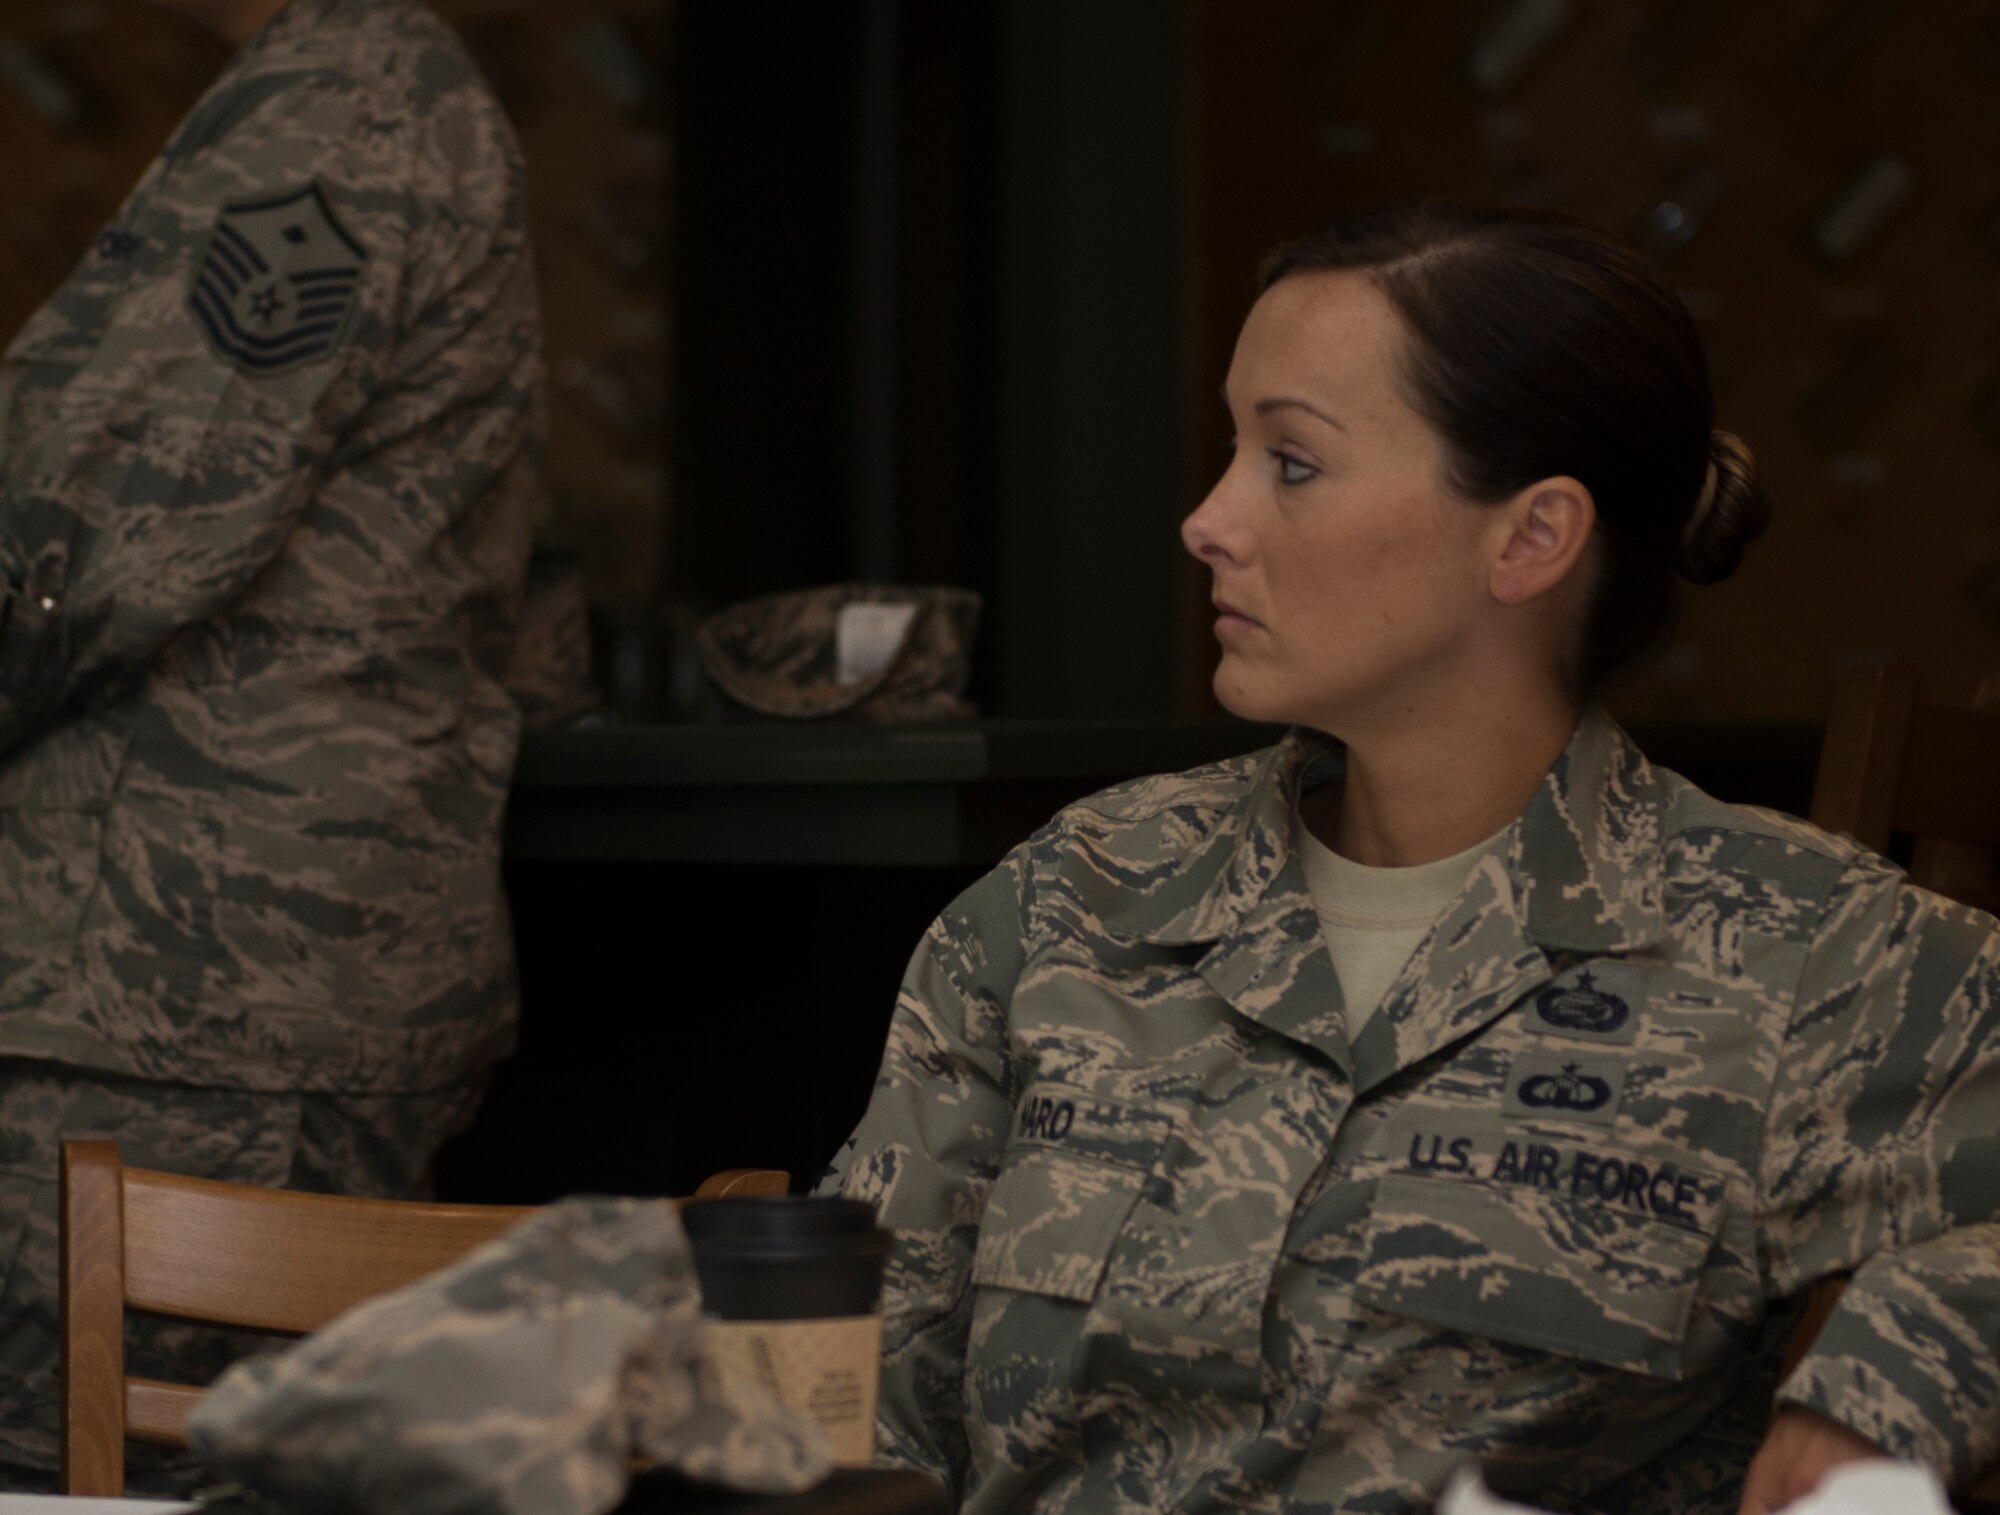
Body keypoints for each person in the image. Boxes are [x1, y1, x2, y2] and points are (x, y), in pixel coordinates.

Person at [820, 201, 2000, 1515]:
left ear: (1530, 538)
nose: (1209, 519)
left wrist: (1887, 1386)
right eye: (1232, 448)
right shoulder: (1078, 894)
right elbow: (858, 1379)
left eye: (1294, 463)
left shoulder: (1807, 953)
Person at [0, 0, 558, 1488]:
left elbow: (85, 530)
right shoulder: (361, 88)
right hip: (217, 1005)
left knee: (74, 1479)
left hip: (172, 1015)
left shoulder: (344, 97)